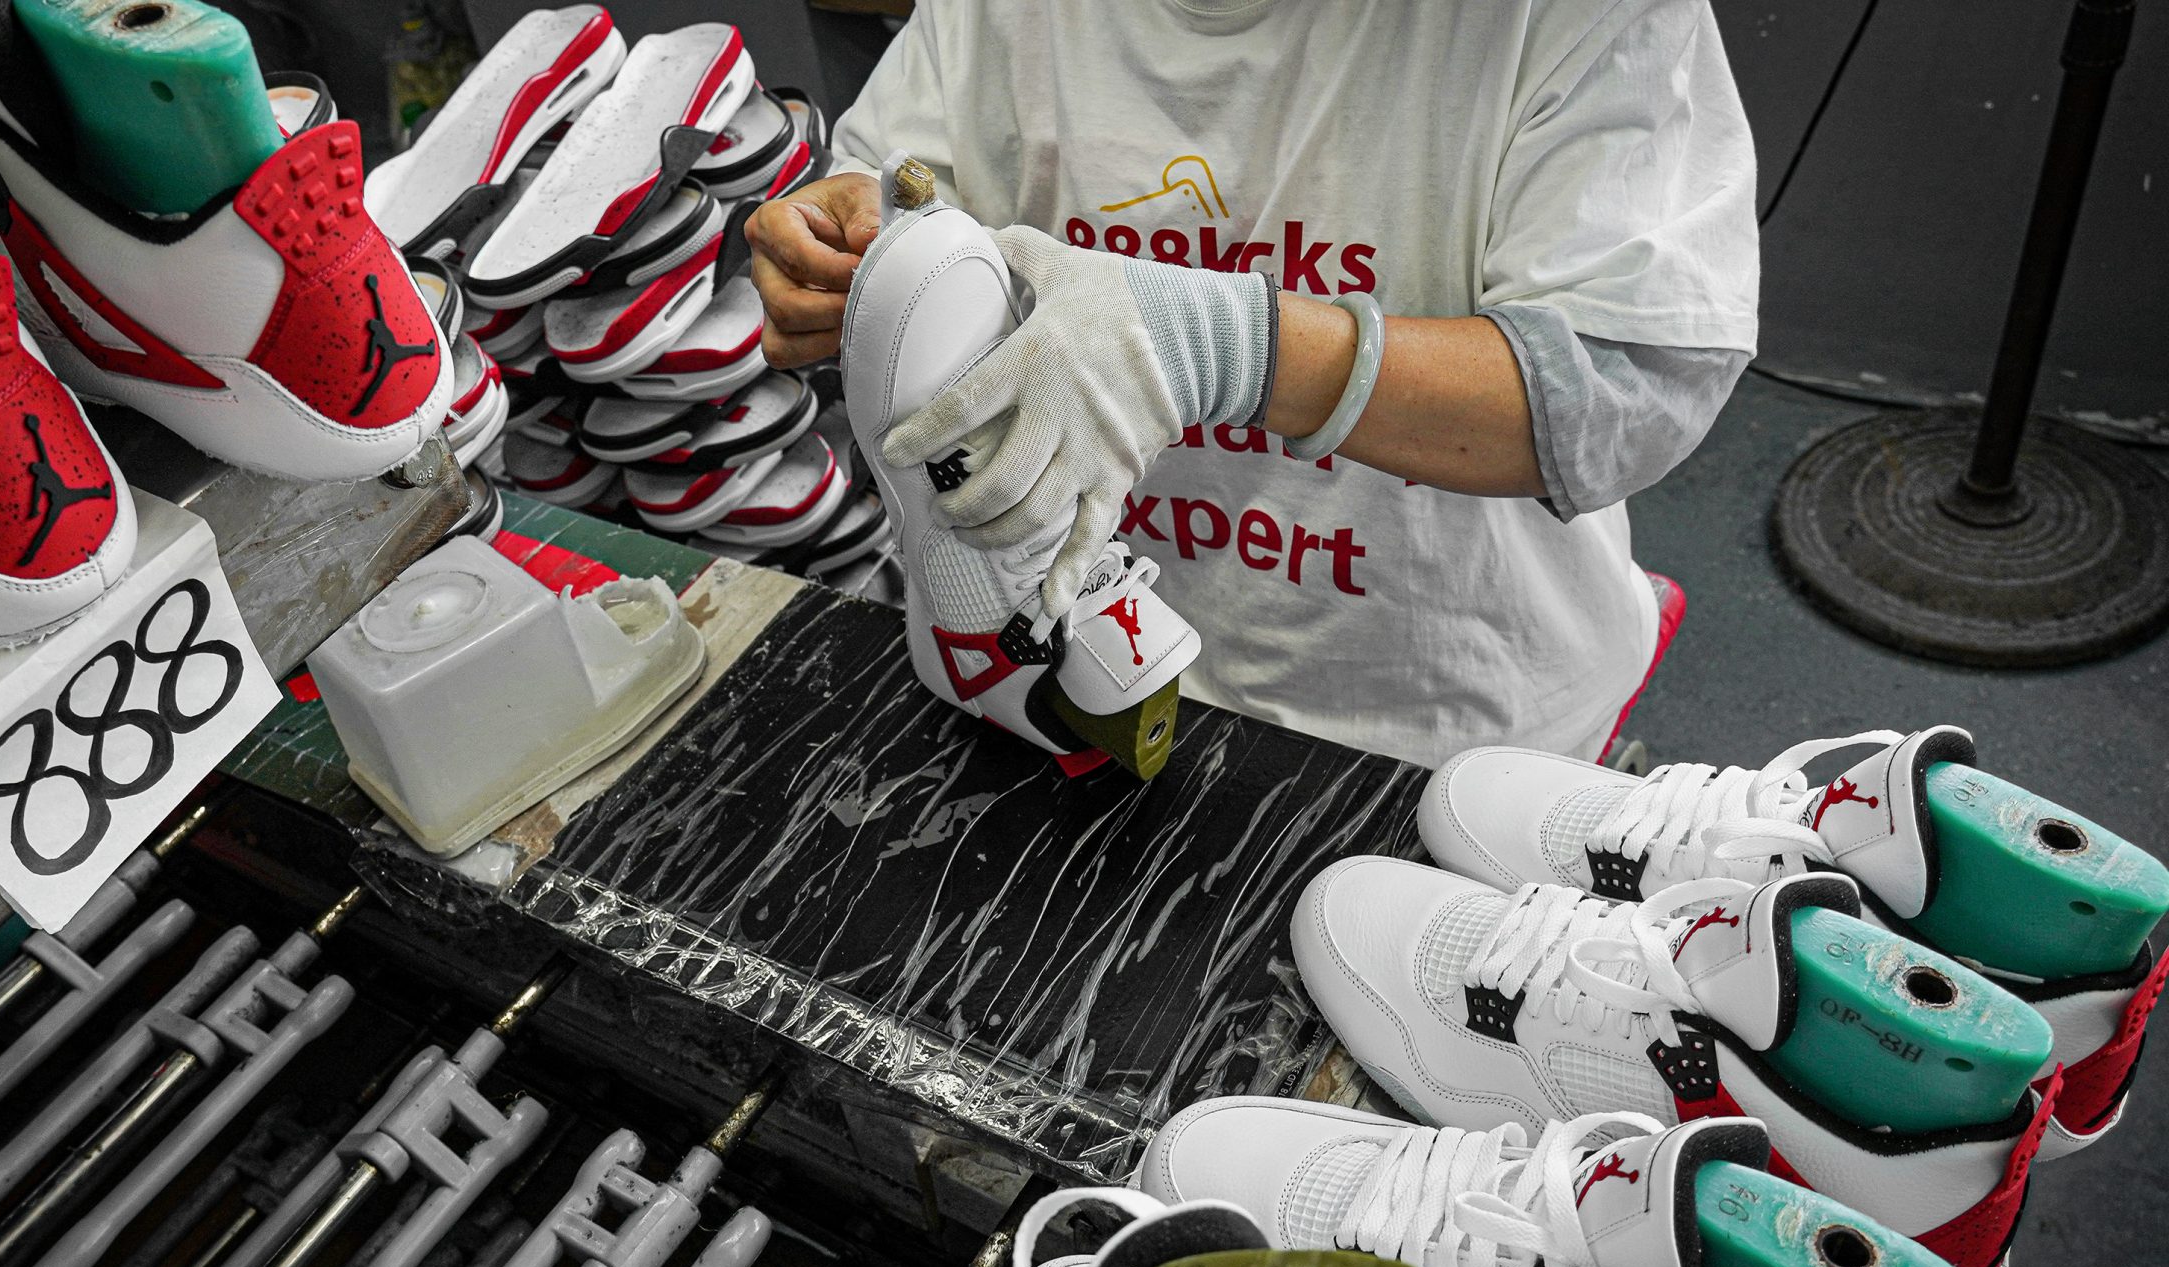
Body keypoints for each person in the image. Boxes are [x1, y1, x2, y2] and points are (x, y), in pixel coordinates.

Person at [745, 0, 1758, 769]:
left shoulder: (1575, 21)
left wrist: (1230, 343)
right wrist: (857, 248)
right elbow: (907, 191)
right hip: (1094, 654)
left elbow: (1620, 388)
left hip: (1444, 729)